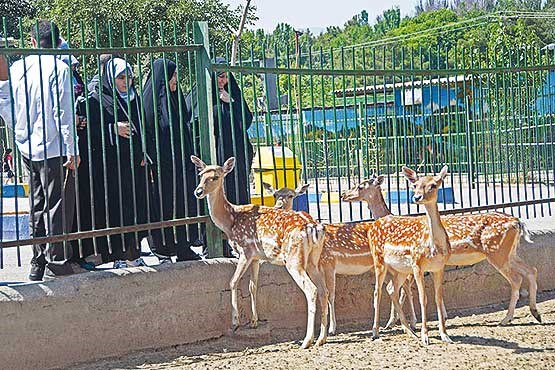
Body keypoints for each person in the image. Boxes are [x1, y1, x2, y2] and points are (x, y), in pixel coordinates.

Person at [0, 20, 80, 280]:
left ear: (33, 41)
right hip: (53, 145)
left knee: (36, 204)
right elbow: (63, 113)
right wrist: (72, 148)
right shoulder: (59, 68)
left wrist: (20, 129)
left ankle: (37, 261)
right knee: (56, 203)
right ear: (58, 42)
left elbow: (5, 102)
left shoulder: (18, 67)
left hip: (26, 145)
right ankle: (56, 260)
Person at [185, 57, 253, 257]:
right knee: (213, 201)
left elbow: (246, 120)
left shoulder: (233, 94)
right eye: (219, 77)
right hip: (212, 159)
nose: (222, 81)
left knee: (236, 197)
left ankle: (237, 242)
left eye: (225, 76)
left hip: (233, 161)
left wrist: (230, 102)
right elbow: (192, 120)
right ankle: (212, 245)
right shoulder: (201, 95)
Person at [85, 57, 149, 268]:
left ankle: (133, 252)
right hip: (112, 165)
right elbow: (92, 130)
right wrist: (113, 128)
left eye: (128, 77)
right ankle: (117, 256)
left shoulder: (134, 98)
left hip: (133, 164)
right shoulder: (99, 99)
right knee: (116, 209)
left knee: (135, 207)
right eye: (120, 77)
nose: (126, 82)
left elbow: (143, 127)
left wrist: (143, 153)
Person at [142, 58, 200, 262]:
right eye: (173, 76)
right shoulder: (149, 103)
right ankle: (163, 248)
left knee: (184, 203)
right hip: (161, 166)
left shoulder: (176, 100)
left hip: (181, 164)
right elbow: (149, 131)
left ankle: (184, 247)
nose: (176, 80)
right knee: (164, 206)